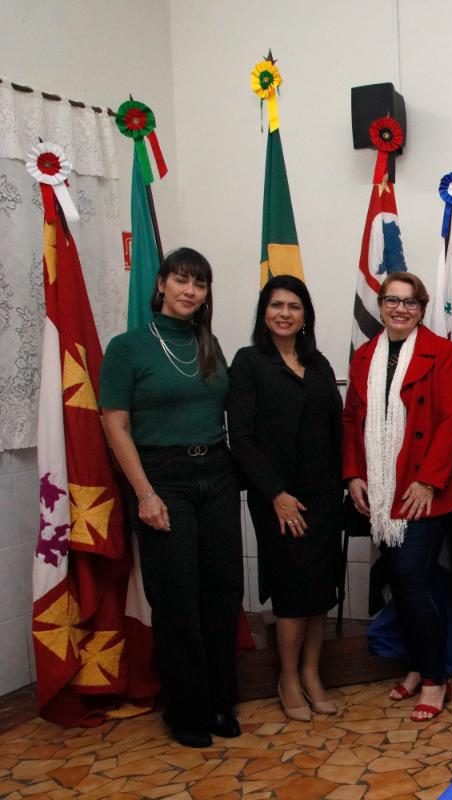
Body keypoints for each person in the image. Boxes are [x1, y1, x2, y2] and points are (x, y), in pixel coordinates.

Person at [99, 247, 242, 749]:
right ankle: (187, 711)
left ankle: (221, 702)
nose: (190, 291)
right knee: (177, 597)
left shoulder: (209, 343)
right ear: (161, 284)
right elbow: (115, 426)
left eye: (199, 284)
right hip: (163, 476)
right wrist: (145, 493)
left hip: (217, 472)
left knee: (223, 590)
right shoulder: (127, 347)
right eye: (181, 280)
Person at [343, 272, 452, 721]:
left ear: (422, 309)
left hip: (423, 491)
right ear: (380, 306)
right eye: (392, 300)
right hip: (381, 490)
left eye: (410, 302)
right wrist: (353, 474)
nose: (400, 309)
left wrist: (429, 480)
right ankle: (418, 665)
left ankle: (435, 678)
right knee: (404, 583)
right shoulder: (364, 356)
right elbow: (351, 419)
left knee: (413, 581)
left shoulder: (442, 352)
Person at [227, 275, 343, 720]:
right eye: (277, 305)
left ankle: (312, 673)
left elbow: (334, 430)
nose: (285, 314)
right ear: (264, 313)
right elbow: (241, 438)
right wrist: (276, 493)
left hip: (324, 497)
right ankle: (288, 678)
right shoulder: (248, 362)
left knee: (321, 589)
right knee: (294, 591)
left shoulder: (318, 364)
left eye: (294, 306)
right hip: (279, 499)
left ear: (305, 315)